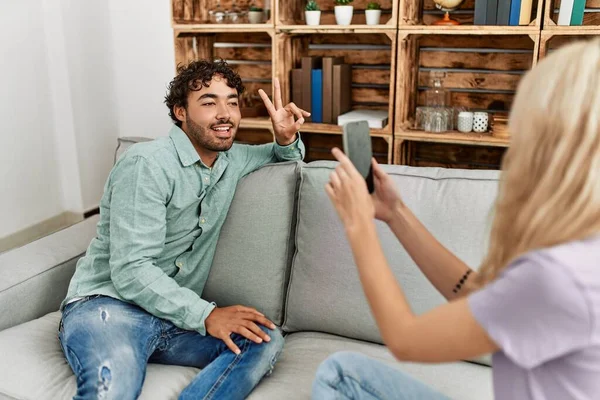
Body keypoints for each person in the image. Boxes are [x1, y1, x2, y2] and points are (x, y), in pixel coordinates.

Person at [313, 38, 600, 400]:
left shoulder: (560, 278)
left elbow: (405, 339)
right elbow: (478, 293)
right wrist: (395, 213)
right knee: (342, 373)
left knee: (338, 377)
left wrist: (357, 224)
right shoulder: (582, 254)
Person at [58, 59, 309, 400]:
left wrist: (285, 137)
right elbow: (131, 270)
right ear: (180, 111)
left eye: (232, 102)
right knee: (114, 388)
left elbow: (285, 157)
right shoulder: (147, 163)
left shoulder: (233, 159)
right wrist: (207, 315)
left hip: (170, 318)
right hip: (108, 306)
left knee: (262, 339)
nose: (225, 113)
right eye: (209, 102)